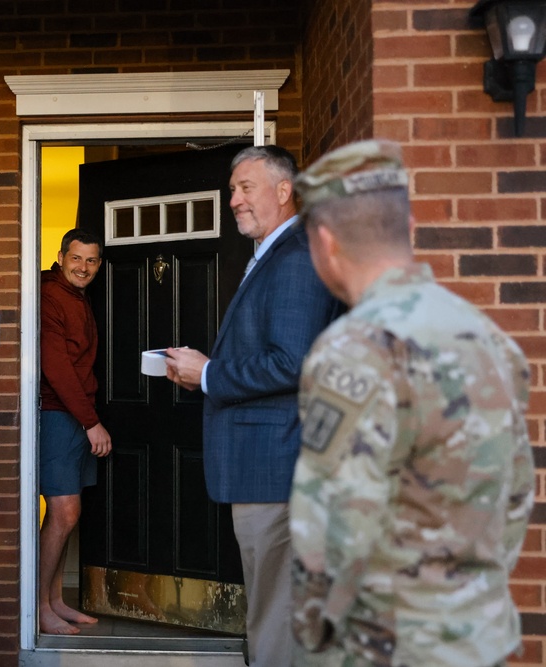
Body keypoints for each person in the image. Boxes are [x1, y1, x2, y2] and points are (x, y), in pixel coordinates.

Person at [288, 139, 535, 667]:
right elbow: (516, 490)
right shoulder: (488, 337)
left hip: (385, 645)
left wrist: (313, 637)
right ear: (411, 227)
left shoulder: (355, 348)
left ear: (325, 243)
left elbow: (331, 522)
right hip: (476, 639)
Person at [164, 146, 344, 666]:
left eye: (246, 188)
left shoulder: (295, 258)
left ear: (283, 191)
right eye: (233, 189)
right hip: (267, 467)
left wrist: (210, 373)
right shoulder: (274, 253)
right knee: (272, 606)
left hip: (279, 467)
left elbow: (293, 362)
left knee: (276, 612)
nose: (233, 199)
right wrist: (201, 373)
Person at [38, 228, 112, 635]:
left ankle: (54, 600)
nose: (83, 267)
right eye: (76, 258)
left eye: (91, 260)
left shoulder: (76, 297)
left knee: (69, 512)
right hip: (58, 414)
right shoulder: (51, 295)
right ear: (62, 256)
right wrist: (91, 422)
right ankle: (38, 607)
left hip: (73, 414)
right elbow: (57, 367)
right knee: (64, 511)